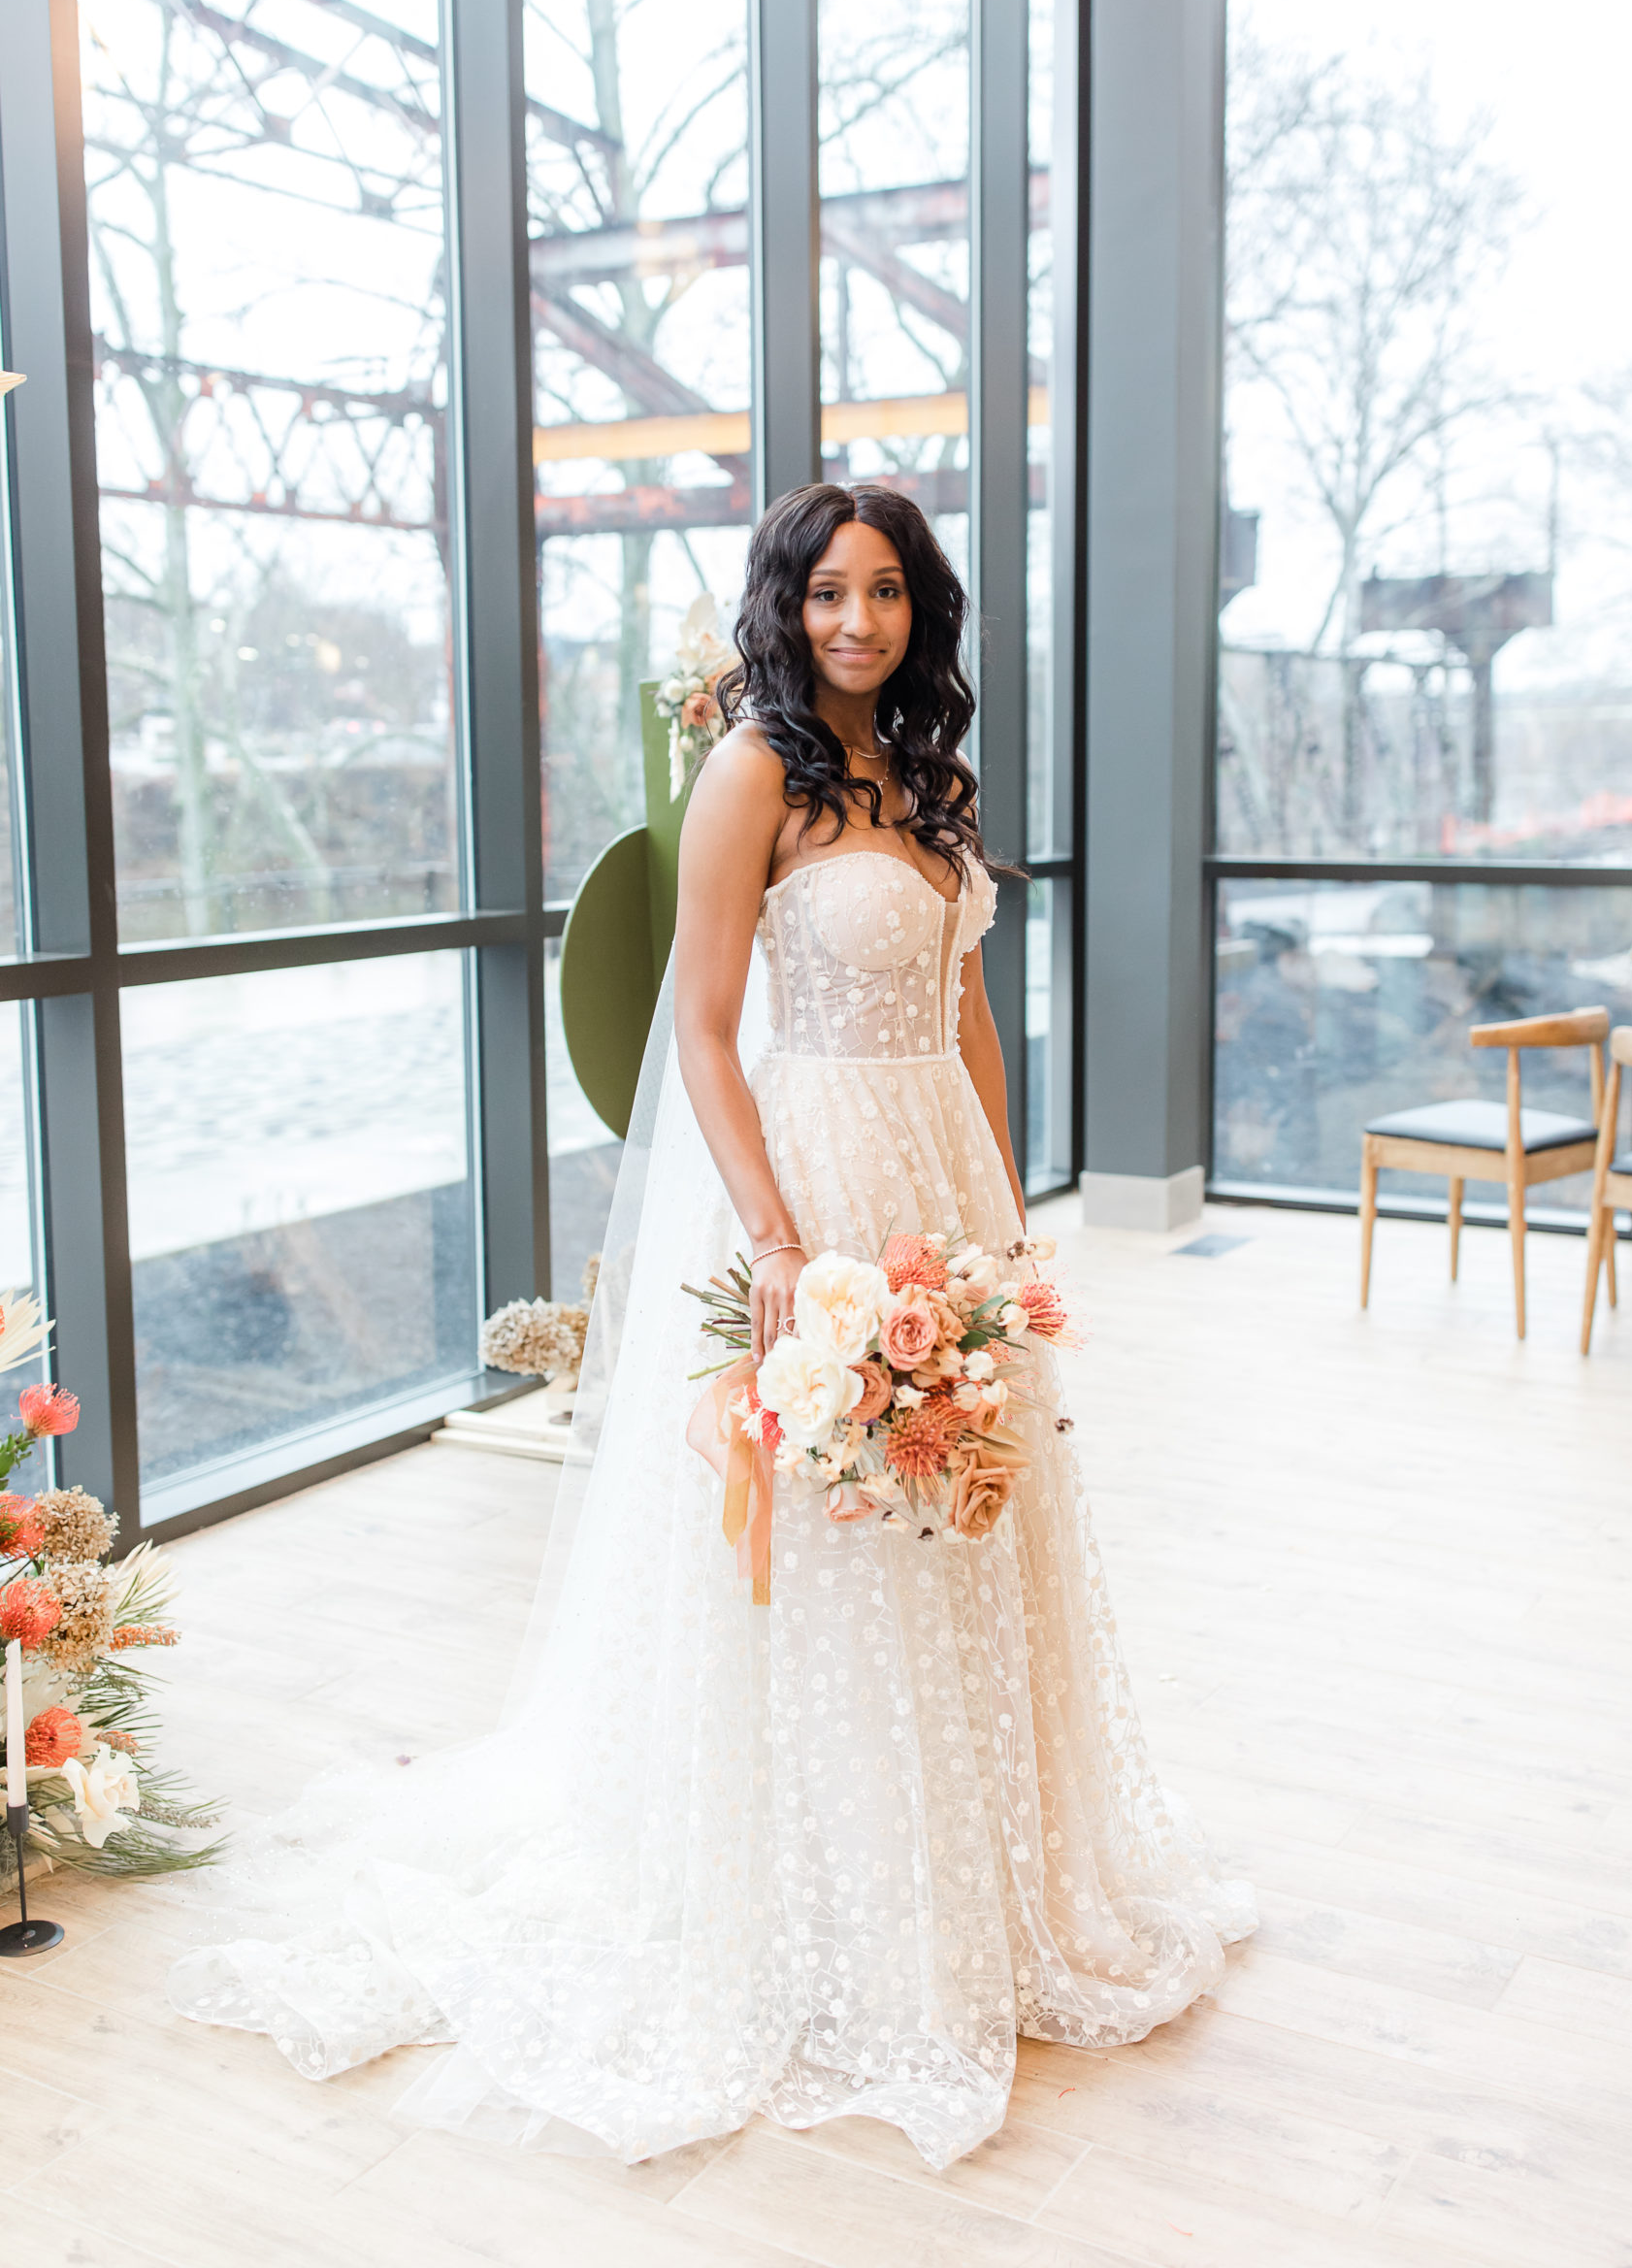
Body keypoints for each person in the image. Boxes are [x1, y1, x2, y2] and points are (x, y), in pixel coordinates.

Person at [167, 482, 1253, 2170]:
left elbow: (967, 1009)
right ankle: (828, 1899)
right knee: (823, 1534)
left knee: (957, 1516)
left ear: (922, 614)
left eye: (888, 593)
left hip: (943, 1180)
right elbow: (703, 1020)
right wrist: (771, 1231)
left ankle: (977, 1882)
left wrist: (1006, 1211)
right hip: (812, 1168)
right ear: (786, 605)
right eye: (830, 592)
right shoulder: (753, 771)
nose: (859, 623)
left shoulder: (935, 778)